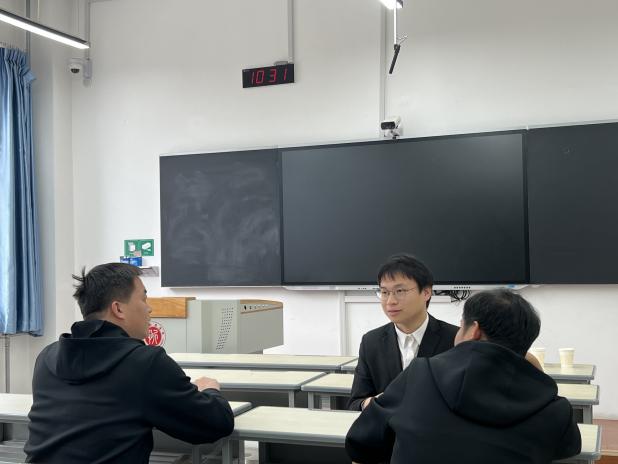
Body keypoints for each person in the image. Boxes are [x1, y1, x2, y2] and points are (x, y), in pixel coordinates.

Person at [25, 263, 234, 464]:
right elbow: (216, 424)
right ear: (118, 309)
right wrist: (210, 390)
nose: (149, 308)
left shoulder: (47, 357)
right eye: (143, 299)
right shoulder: (146, 363)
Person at [345, 290, 582, 464]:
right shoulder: (553, 407)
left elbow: (361, 443)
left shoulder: (419, 375)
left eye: (461, 326)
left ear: (474, 330)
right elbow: (569, 449)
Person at [348, 253, 458, 411]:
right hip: (386, 425)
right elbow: (355, 403)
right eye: (384, 292)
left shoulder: (454, 339)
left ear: (426, 292)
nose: (390, 301)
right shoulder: (371, 342)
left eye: (400, 291)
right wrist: (375, 403)